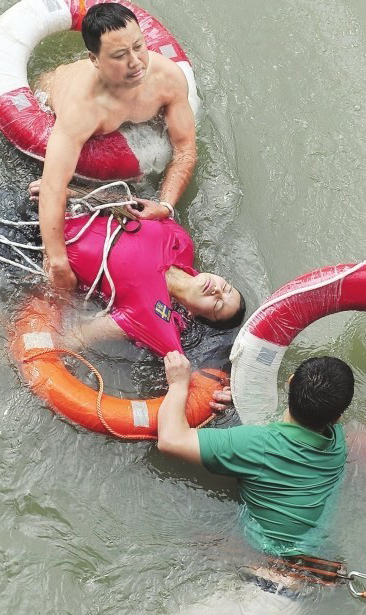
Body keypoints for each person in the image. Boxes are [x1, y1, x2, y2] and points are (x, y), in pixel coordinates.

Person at [30, 3, 197, 291]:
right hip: (54, 95)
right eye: (120, 55)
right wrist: (56, 261)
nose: (135, 62)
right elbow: (52, 186)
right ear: (94, 60)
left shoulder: (167, 79)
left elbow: (185, 150)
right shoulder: (82, 108)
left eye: (139, 47)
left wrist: (165, 205)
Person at [157, 353, 355, 555]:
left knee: (191, 538)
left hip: (263, 555)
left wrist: (178, 384)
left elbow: (170, 440)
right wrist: (240, 404)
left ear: (290, 381)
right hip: (315, 549)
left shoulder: (257, 444)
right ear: (337, 417)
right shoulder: (337, 440)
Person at [62, 214, 245, 357]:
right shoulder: (182, 243)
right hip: (65, 212)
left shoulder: (153, 320)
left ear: (194, 314)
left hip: (50, 253)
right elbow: (142, 207)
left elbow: (76, 336)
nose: (217, 291)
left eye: (217, 304)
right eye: (226, 288)